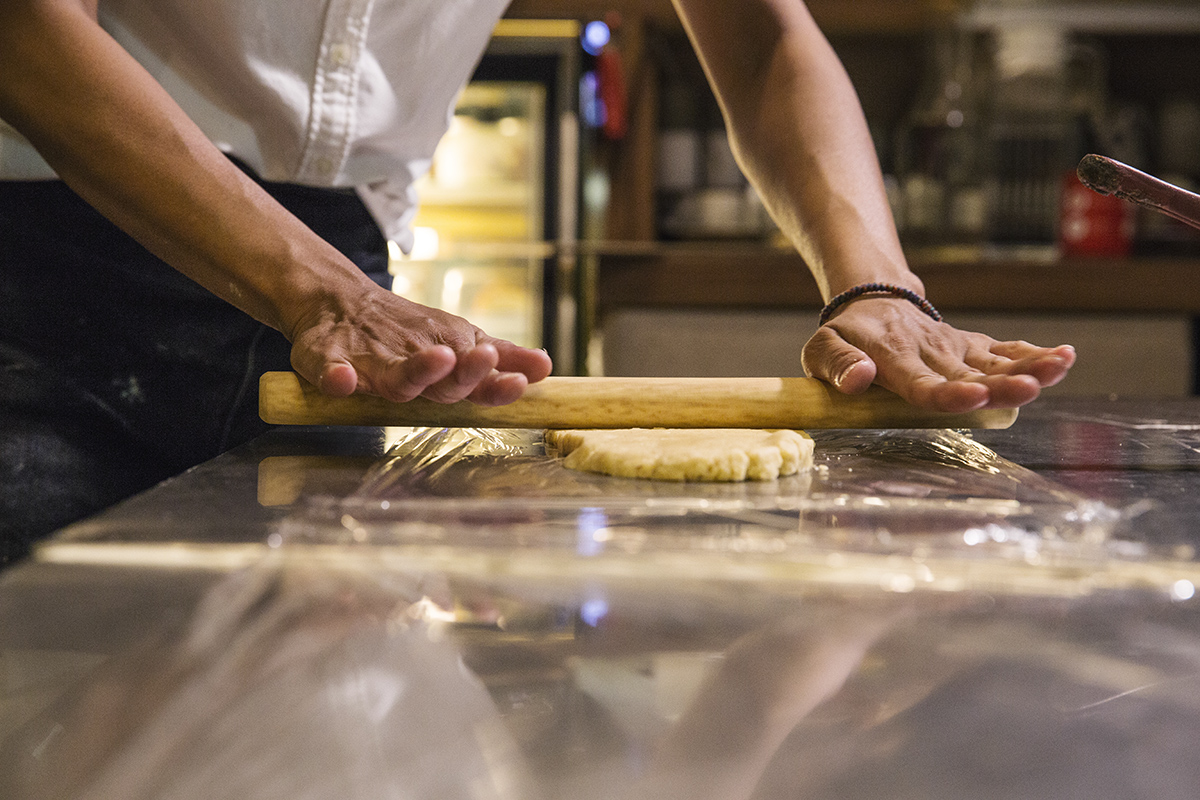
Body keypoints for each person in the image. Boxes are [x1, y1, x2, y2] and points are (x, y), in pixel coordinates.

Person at [0, 0, 1074, 562]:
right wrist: (321, 292)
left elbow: (765, 43)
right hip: (54, 244)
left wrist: (876, 287)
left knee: (283, 685)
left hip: (340, 305)